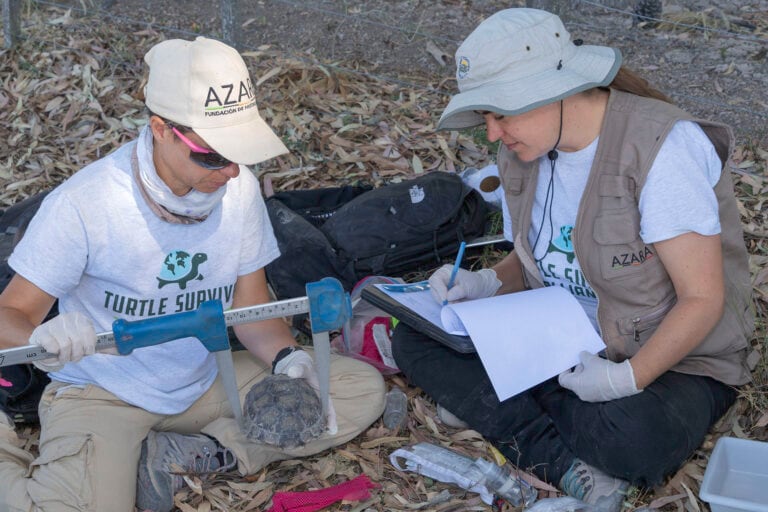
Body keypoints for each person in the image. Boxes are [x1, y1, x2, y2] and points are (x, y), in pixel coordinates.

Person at [0, 36, 385, 512]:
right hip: (104, 390)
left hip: (206, 378)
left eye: (238, 153)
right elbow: (8, 315)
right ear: (160, 128)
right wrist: (46, 331)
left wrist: (287, 358)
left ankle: (194, 456)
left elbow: (252, 307)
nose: (228, 172)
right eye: (212, 155)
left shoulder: (239, 191)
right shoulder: (86, 204)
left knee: (357, 390)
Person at [391, 8, 754, 512]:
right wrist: (487, 284)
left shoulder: (660, 147)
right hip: (562, 336)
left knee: (634, 439)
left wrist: (628, 378)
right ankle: (562, 456)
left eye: (501, 112)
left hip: (671, 356)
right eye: (486, 118)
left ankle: (505, 408)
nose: (492, 134)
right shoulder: (523, 151)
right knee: (414, 336)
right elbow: (534, 258)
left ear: (553, 91)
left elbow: (702, 299)